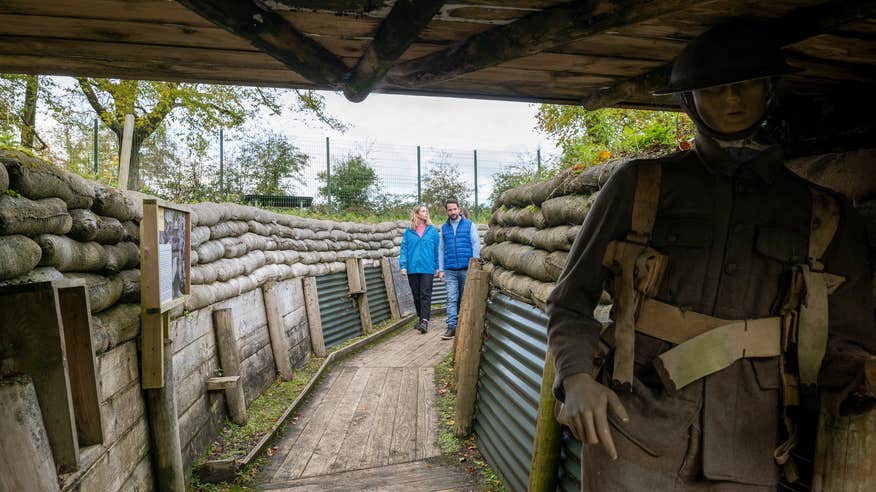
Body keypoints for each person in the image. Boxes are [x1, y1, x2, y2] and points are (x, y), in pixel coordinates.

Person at [546, 22, 875, 491]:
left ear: (770, 90)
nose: (730, 99)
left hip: (755, 444)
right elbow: (570, 301)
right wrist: (576, 377)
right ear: (689, 100)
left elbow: (848, 343)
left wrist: (859, 383)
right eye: (713, 88)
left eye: (745, 84)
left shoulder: (823, 213)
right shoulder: (640, 187)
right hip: (633, 431)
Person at [438, 199, 480, 340]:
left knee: (464, 297)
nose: (453, 212)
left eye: (455, 209)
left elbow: (475, 245)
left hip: (466, 269)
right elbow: (441, 249)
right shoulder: (444, 228)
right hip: (450, 270)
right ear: (447, 211)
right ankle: (451, 327)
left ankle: (465, 325)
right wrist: (441, 269)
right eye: (450, 210)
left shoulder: (469, 225)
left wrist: (475, 265)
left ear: (459, 209)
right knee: (451, 297)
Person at [399, 204, 439, 333]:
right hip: (413, 268)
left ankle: (425, 321)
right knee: (416, 295)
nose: (426, 213)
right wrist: (403, 266)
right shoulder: (409, 231)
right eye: (423, 211)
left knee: (425, 294)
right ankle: (421, 318)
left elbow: (437, 250)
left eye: (427, 211)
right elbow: (404, 249)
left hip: (427, 268)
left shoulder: (432, 230)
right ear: (417, 214)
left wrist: (437, 266)